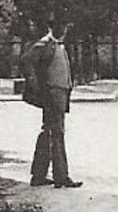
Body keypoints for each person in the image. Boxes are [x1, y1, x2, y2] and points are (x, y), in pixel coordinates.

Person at [25, 25, 83, 188]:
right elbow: (27, 62)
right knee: (57, 134)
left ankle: (39, 175)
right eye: (62, 28)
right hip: (52, 94)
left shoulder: (57, 46)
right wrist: (36, 86)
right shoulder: (46, 45)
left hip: (59, 94)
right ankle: (61, 177)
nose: (64, 32)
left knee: (49, 133)